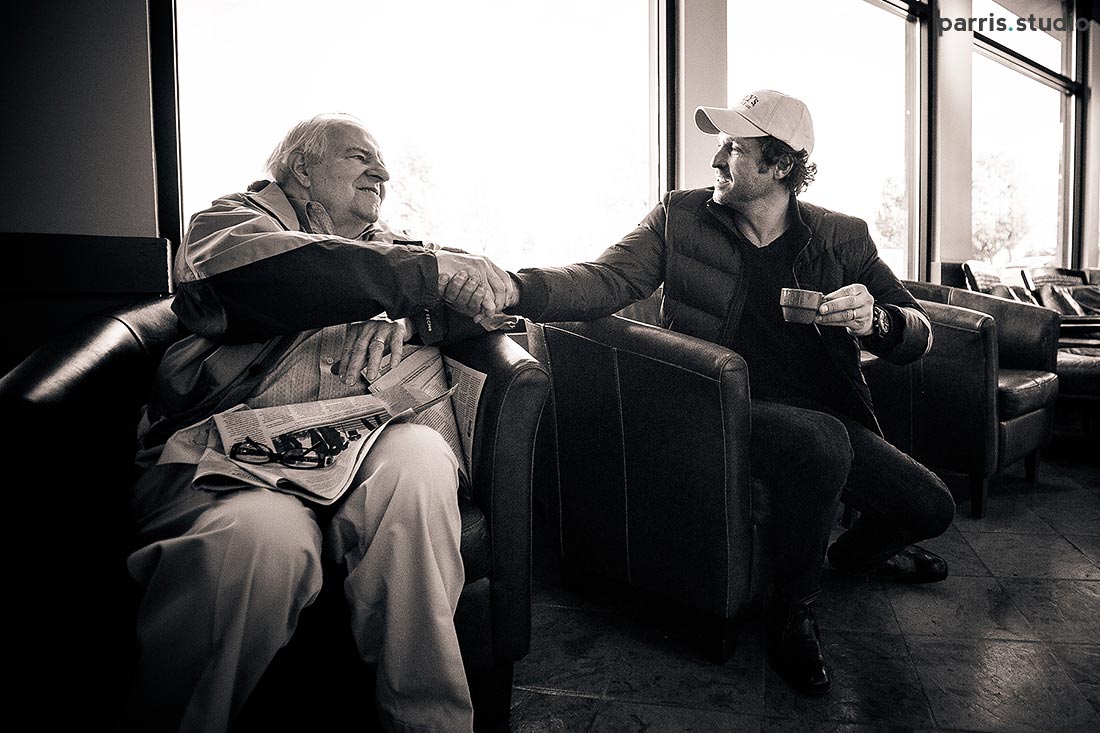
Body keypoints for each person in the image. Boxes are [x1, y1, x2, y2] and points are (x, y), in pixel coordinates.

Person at [452, 90, 956, 696]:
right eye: (719, 146)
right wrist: (512, 285)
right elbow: (606, 278)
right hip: (725, 413)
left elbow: (916, 330)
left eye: (734, 149)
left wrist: (879, 323)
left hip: (832, 417)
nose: (716, 161)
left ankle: (846, 558)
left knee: (932, 508)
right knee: (819, 443)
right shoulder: (680, 217)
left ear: (781, 167)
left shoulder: (843, 238)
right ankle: (793, 611)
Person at [122, 113, 513, 732]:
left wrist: (411, 321)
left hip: (365, 437)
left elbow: (487, 300)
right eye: (360, 157)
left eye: (380, 161)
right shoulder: (228, 223)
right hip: (237, 452)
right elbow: (266, 278)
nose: (381, 171)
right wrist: (415, 278)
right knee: (259, 541)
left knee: (419, 464)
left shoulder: (392, 245)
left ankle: (430, 723)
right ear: (301, 169)